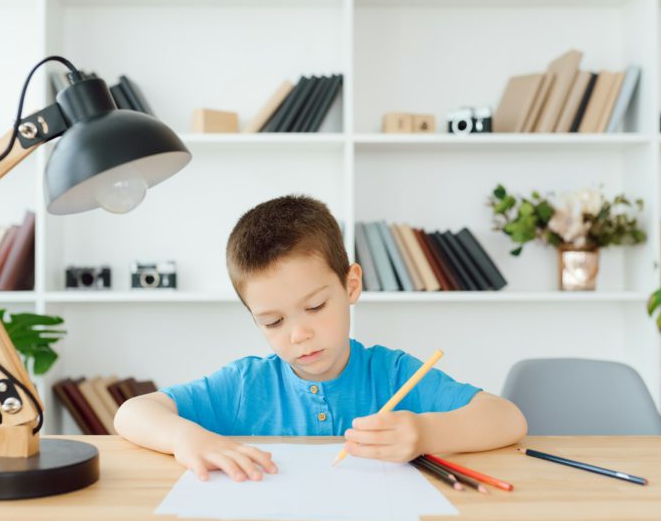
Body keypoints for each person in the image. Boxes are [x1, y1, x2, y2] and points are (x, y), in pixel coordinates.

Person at [115, 195, 527, 482]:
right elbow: (131, 413)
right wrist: (185, 436)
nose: (298, 334)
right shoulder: (245, 385)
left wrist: (425, 433)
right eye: (272, 321)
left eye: (314, 307)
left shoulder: (394, 374)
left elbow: (508, 418)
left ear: (351, 285)